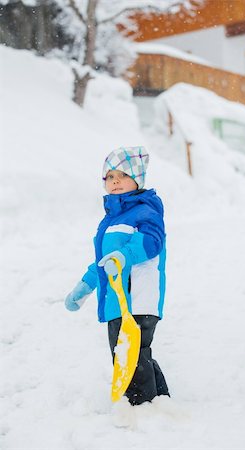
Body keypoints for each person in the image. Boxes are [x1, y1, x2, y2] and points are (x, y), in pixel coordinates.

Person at [65, 146, 169, 406]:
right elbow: (104, 261)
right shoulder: (111, 220)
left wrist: (123, 256)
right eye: (110, 177)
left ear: (138, 180)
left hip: (138, 298)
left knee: (129, 355)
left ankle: (140, 406)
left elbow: (151, 243)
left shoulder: (146, 211)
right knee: (136, 354)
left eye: (122, 175)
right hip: (117, 301)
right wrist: (85, 286)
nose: (115, 181)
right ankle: (159, 399)